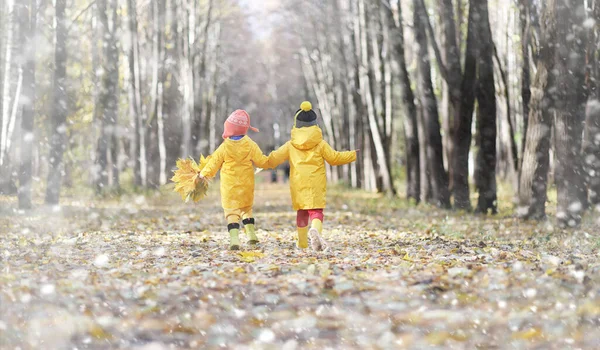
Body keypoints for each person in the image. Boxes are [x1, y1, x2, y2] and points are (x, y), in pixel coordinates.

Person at [267, 101, 358, 251]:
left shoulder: (290, 145)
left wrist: (261, 162)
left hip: (298, 183)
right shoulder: (320, 144)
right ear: (314, 124)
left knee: (302, 212)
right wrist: (352, 155)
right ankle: (315, 230)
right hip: (315, 183)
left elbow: (274, 158)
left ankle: (302, 243)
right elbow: (334, 158)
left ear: (297, 124)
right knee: (316, 211)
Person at [200, 110, 271, 250]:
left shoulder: (225, 147)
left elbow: (213, 164)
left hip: (229, 187)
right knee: (246, 209)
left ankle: (234, 239)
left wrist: (203, 174)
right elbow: (261, 161)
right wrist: (271, 160)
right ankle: (251, 235)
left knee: (232, 212)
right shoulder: (250, 144)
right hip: (246, 185)